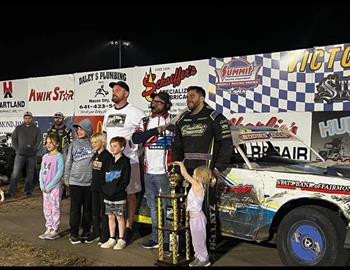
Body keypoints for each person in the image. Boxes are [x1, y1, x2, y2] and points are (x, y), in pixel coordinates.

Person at [103, 81, 146, 243]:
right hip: (111, 162)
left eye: (118, 90)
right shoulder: (107, 112)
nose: (114, 92)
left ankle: (128, 227)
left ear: (126, 94)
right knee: (112, 192)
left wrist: (135, 148)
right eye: (113, 90)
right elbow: (105, 134)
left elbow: (144, 136)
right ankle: (112, 228)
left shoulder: (136, 112)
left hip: (130, 161)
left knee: (130, 194)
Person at [132, 91, 173, 249]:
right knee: (153, 208)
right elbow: (136, 139)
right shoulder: (145, 121)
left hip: (165, 172)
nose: (155, 104)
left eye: (159, 102)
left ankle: (170, 240)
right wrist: (156, 130)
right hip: (149, 172)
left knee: (167, 207)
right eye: (154, 101)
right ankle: (157, 239)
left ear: (166, 105)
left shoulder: (172, 120)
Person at [173, 86, 232, 173]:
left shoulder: (215, 117)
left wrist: (218, 168)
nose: (188, 99)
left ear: (201, 99)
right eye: (187, 97)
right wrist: (178, 166)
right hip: (186, 171)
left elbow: (226, 144)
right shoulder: (182, 120)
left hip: (207, 170)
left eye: (192, 96)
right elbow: (177, 146)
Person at [174, 161, 213, 267]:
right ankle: (198, 256)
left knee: (199, 240)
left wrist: (181, 165)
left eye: (194, 174)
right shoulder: (197, 185)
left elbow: (185, 175)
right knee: (196, 240)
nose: (192, 175)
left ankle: (204, 259)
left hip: (197, 219)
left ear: (199, 177)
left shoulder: (197, 185)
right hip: (194, 218)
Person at [64, 118, 94, 244]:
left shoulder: (93, 143)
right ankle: (74, 233)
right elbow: (68, 161)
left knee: (88, 209)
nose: (79, 131)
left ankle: (86, 232)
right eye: (78, 129)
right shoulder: (74, 144)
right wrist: (66, 177)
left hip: (89, 182)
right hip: (75, 181)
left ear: (88, 130)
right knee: (75, 209)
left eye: (82, 129)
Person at [100, 136, 130, 250]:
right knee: (110, 216)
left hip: (119, 195)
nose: (112, 148)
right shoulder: (108, 160)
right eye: (111, 146)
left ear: (122, 148)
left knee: (119, 217)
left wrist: (116, 190)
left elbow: (125, 180)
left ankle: (121, 239)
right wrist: (105, 189)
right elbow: (103, 176)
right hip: (107, 194)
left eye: (115, 146)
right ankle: (112, 238)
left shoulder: (125, 162)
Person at [6, 111, 42, 198]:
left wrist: (34, 150)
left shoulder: (37, 129)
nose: (27, 119)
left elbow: (39, 141)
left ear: (32, 118)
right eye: (26, 118)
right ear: (23, 119)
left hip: (32, 155)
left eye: (29, 118)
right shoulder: (18, 128)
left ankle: (28, 191)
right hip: (20, 155)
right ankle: (11, 192)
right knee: (15, 173)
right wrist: (17, 150)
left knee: (30, 174)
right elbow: (13, 140)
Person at [86, 132, 112, 244]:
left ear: (102, 142)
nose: (93, 144)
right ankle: (95, 232)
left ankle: (104, 235)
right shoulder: (95, 155)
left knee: (104, 213)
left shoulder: (107, 156)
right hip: (94, 188)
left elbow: (108, 174)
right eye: (92, 142)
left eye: (95, 142)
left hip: (103, 189)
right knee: (95, 212)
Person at [38, 133, 64, 240]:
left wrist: (50, 186)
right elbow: (41, 171)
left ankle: (55, 229)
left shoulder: (59, 157)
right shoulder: (45, 157)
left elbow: (59, 173)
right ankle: (48, 227)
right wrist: (41, 184)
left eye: (51, 142)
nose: (48, 145)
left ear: (57, 144)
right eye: (47, 142)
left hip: (54, 189)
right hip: (45, 189)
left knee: (55, 207)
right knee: (46, 208)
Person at [46, 112, 73, 200]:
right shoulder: (51, 129)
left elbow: (71, 142)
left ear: (63, 119)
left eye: (59, 118)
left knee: (62, 172)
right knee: (53, 171)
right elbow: (47, 140)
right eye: (56, 118)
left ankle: (63, 191)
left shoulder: (67, 129)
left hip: (63, 153)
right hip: (53, 153)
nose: (57, 120)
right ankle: (53, 189)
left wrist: (69, 152)